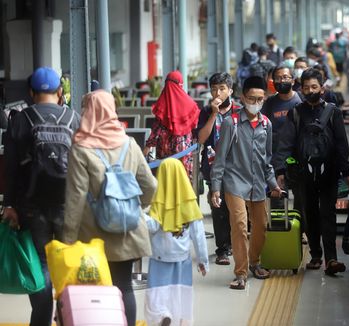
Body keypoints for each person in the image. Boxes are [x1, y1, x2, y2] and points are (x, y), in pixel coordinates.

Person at [63, 90, 156, 326]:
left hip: (91, 236)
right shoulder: (130, 143)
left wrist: (68, 240)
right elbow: (150, 185)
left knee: (95, 292)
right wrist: (137, 208)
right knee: (124, 286)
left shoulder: (81, 148)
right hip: (127, 230)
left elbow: (75, 197)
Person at [2, 66, 81, 326]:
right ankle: (69, 317)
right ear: (60, 92)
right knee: (69, 263)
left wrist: (10, 205)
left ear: (31, 93)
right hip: (67, 206)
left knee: (41, 266)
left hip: (32, 206)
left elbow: (10, 168)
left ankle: (41, 320)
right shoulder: (74, 119)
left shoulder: (20, 120)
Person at [273, 68, 349, 276]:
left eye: (314, 87)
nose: (310, 91)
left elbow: (341, 143)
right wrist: (281, 169)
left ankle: (331, 259)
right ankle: (316, 255)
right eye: (306, 87)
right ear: (301, 88)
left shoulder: (333, 112)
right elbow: (286, 142)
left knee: (328, 213)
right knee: (309, 213)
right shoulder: (296, 113)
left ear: (322, 87)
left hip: (329, 173)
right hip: (303, 174)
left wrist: (346, 170)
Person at [210, 76, 282, 290]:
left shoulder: (266, 124)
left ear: (265, 98)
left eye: (260, 98)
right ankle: (240, 273)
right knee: (240, 226)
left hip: (258, 183)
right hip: (234, 182)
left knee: (260, 226)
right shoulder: (230, 123)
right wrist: (215, 187)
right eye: (251, 98)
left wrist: (274, 184)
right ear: (242, 98)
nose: (255, 102)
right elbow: (220, 159)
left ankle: (255, 262)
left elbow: (267, 160)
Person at [144, 158, 208, 326]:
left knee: (158, 290)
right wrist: (203, 260)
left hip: (160, 256)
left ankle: (161, 314)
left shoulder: (159, 202)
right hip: (182, 257)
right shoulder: (190, 203)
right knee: (179, 291)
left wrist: (138, 213)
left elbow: (152, 226)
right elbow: (199, 235)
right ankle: (179, 319)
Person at [197, 72, 240, 266]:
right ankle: (222, 248)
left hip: (237, 167)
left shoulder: (239, 111)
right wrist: (214, 113)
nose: (217, 92)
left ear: (230, 90)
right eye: (214, 89)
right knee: (218, 208)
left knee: (237, 209)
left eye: (222, 88)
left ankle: (236, 244)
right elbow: (201, 139)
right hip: (213, 168)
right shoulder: (206, 112)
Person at [143, 70, 200, 181]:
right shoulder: (190, 104)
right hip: (184, 156)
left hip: (164, 158)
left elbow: (156, 131)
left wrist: (147, 147)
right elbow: (195, 130)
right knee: (182, 185)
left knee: (167, 186)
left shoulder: (161, 103)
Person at [261, 64, 302, 210]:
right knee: (277, 201)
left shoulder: (300, 102)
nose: (281, 81)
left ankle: (301, 231)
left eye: (285, 77)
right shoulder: (270, 104)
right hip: (274, 159)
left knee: (301, 201)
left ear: (293, 80)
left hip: (297, 160)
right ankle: (279, 231)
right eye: (277, 78)